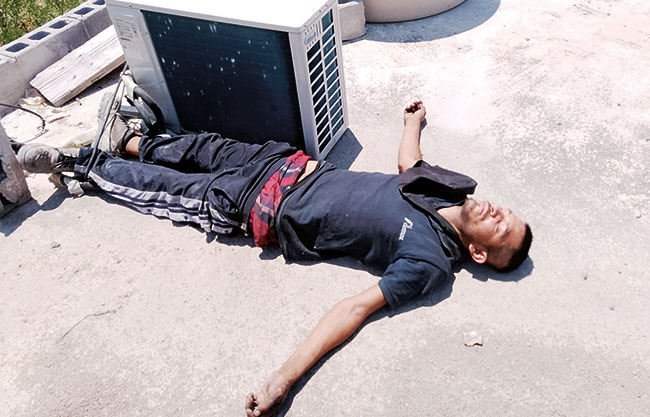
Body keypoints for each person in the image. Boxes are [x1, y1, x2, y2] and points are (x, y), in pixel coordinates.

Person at [16, 101, 532, 417]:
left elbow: (354, 309)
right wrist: (411, 122)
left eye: (500, 226)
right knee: (207, 148)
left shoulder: (430, 262)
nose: (496, 211)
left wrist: (283, 379)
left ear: (478, 252)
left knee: (170, 189)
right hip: (290, 167)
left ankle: (80, 165)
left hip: (265, 209)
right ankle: (132, 140)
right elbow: (409, 165)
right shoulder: (450, 189)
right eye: (506, 211)